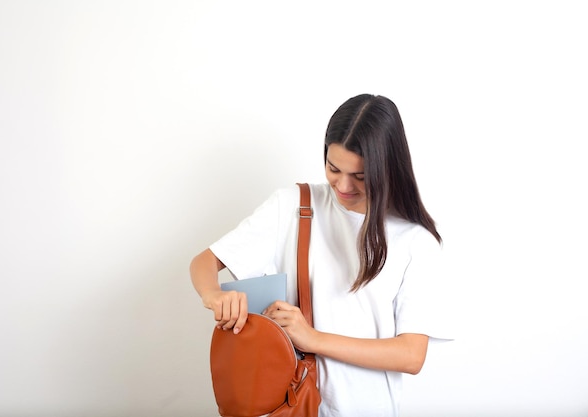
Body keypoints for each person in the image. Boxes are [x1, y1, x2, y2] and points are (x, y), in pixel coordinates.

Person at [190, 93, 452, 417]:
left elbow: (411, 356)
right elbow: (205, 261)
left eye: (360, 176)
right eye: (333, 168)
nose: (342, 185)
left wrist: (311, 338)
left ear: (388, 168)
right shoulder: (294, 206)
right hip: (289, 406)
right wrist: (214, 295)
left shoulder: (414, 241)